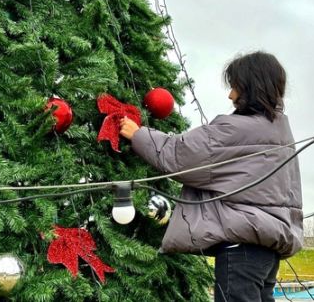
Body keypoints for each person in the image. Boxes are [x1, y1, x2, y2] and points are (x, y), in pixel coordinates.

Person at [120, 51, 303, 302]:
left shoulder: (237, 129)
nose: (230, 95)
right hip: (268, 247)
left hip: (242, 247)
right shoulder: (280, 129)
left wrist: (138, 134)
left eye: (235, 87)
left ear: (250, 86)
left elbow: (181, 155)